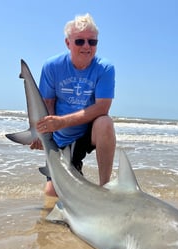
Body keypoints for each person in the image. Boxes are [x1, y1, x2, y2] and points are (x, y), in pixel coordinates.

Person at [30, 13, 116, 197]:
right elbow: (48, 102)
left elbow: (102, 108)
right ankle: (75, 173)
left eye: (92, 42)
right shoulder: (52, 66)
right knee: (51, 194)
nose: (87, 46)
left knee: (105, 122)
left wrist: (61, 122)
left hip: (87, 132)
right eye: (80, 41)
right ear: (68, 43)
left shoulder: (105, 68)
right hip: (61, 138)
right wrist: (44, 133)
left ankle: (105, 189)